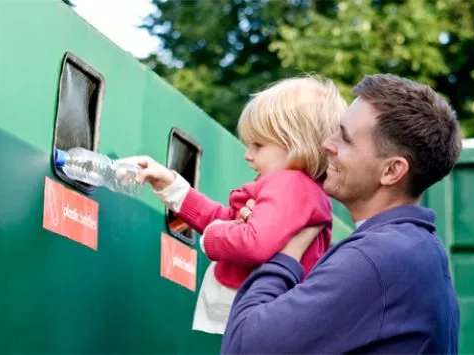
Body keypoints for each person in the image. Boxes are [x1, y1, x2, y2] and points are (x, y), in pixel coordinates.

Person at [220, 73, 462, 354]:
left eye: (345, 139)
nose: (326, 143)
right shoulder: (409, 249)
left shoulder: (380, 257)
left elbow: (244, 346)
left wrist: (283, 253)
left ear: (391, 170)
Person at [134, 76, 347, 334]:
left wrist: (211, 238)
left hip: (264, 321)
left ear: (296, 146)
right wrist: (171, 186)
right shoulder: (292, 189)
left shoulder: (292, 186)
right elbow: (227, 220)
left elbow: (253, 242)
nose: (248, 154)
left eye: (258, 145)